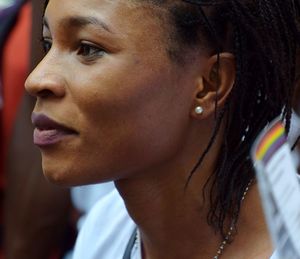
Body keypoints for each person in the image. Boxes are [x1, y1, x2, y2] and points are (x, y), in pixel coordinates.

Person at [25, 0, 300, 258]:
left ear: (208, 84)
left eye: (87, 48)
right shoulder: (105, 228)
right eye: (47, 43)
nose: (36, 79)